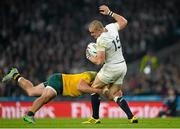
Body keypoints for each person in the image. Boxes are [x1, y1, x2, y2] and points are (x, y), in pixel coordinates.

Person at [84, 5, 138, 124]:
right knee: (115, 94)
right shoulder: (111, 27)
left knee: (93, 88)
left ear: (98, 29)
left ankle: (95, 118)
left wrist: (89, 57)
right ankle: (131, 117)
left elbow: (99, 61)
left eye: (93, 33)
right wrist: (110, 12)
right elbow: (124, 21)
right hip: (122, 66)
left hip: (111, 68)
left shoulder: (101, 40)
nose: (92, 35)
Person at [2, 67, 102, 124]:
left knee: (31, 91)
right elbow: (80, 87)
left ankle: (15, 75)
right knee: (46, 97)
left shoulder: (96, 79)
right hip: (59, 82)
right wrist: (97, 90)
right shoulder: (90, 75)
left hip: (59, 82)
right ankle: (30, 114)